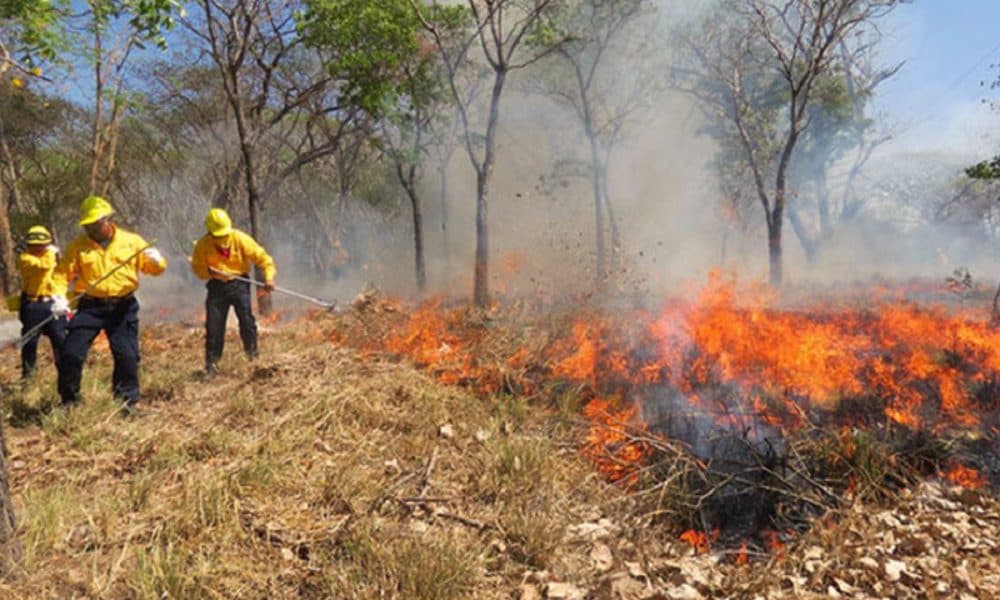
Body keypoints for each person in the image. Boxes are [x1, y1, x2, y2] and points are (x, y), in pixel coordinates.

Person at [51, 196, 167, 411]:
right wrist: (59, 296)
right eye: (87, 226)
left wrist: (157, 261)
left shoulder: (131, 241)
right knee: (71, 352)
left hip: (123, 306)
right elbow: (61, 275)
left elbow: (154, 270)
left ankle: (127, 403)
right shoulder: (78, 247)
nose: (91, 230)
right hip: (90, 307)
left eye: (95, 224)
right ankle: (69, 402)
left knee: (127, 355)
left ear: (107, 220)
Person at [190, 208, 275, 376]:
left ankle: (253, 359)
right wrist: (209, 272)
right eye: (218, 235)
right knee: (214, 327)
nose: (222, 238)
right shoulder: (202, 245)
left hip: (239, 284)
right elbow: (198, 269)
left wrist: (269, 278)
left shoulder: (240, 239)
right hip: (216, 287)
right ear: (210, 231)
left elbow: (264, 259)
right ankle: (212, 366)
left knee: (247, 321)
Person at [17, 225, 67, 379]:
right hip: (33, 305)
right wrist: (51, 252)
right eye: (34, 245)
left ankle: (66, 377)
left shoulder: (54, 258)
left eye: (42, 245)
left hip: (54, 304)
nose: (38, 248)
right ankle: (29, 378)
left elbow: (61, 276)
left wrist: (61, 297)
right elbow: (44, 267)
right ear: (28, 245)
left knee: (60, 340)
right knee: (30, 342)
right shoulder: (26, 258)